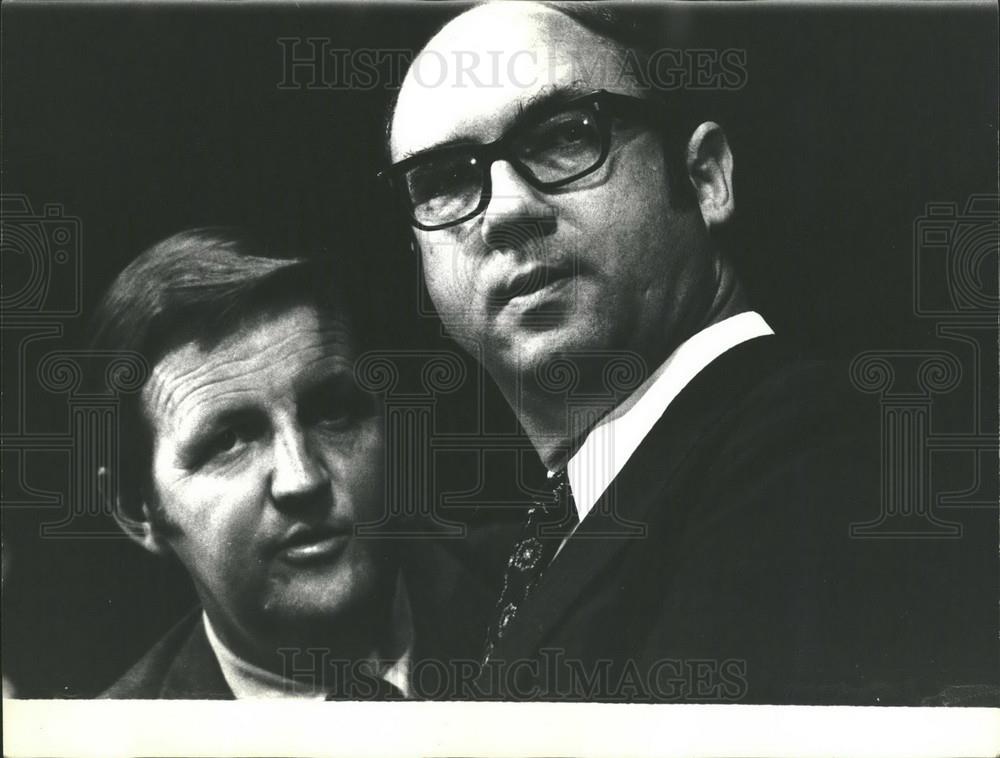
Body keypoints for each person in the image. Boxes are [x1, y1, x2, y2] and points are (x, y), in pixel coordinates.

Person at [382, 1, 983, 703]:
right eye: (447, 179)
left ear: (706, 178)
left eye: (564, 139)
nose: (508, 210)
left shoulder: (826, 457)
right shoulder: (532, 547)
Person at [92, 229, 410, 699]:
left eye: (332, 412)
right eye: (228, 441)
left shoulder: (539, 591)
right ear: (139, 510)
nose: (302, 479)